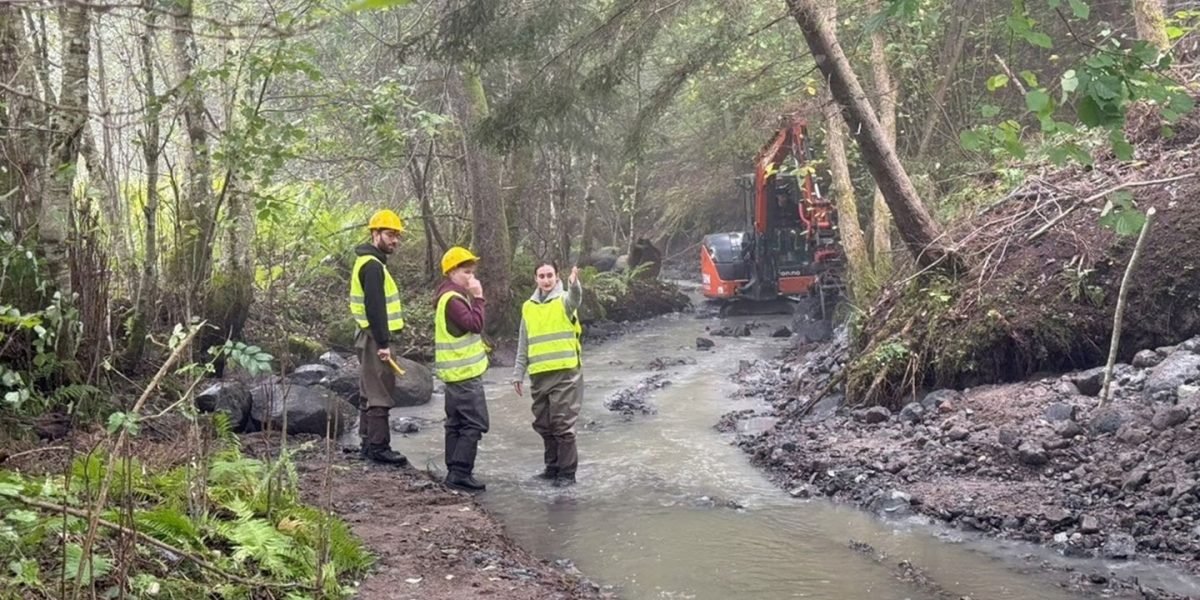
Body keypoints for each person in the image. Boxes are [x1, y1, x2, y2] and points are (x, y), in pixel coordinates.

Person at [511, 261, 584, 488]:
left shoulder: (564, 300)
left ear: (556, 276)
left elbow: (575, 298)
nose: (546, 280)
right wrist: (517, 374)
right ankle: (551, 468)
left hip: (565, 373)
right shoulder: (528, 307)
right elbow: (524, 342)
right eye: (541, 276)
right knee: (544, 425)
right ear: (536, 279)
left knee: (562, 426)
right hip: (539, 375)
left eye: (550, 275)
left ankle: (567, 474)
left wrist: (574, 284)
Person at [349, 209, 409, 465]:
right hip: (375, 337)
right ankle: (378, 447)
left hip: (368, 335)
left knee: (368, 389)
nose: (394, 240)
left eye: (397, 235)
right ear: (375, 234)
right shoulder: (372, 266)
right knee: (380, 391)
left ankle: (366, 442)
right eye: (389, 234)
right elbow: (375, 307)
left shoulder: (369, 262)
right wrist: (384, 343)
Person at [433, 246, 490, 492]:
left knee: (455, 423)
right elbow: (474, 324)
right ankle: (460, 472)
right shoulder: (453, 299)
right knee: (474, 424)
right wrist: (479, 297)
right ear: (452, 272)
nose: (471, 277)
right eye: (466, 272)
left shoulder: (446, 295)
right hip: (465, 376)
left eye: (472, 272)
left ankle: (454, 471)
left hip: (454, 376)